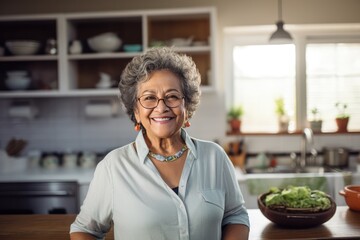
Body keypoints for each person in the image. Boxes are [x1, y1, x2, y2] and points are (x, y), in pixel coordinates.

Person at [70, 47, 250, 240]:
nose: (161, 107)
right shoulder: (113, 167)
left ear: (187, 106)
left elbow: (235, 215)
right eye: (149, 98)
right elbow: (85, 230)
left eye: (172, 96)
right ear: (136, 111)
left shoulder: (215, 156)